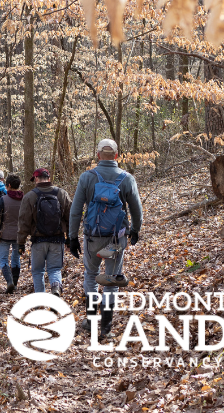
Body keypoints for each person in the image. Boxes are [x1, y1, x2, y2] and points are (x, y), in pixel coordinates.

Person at [68, 139, 142, 339]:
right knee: (111, 279)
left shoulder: (87, 177)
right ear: (117, 156)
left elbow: (76, 211)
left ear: (98, 155)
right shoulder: (127, 179)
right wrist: (135, 230)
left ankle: (91, 322)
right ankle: (106, 327)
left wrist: (72, 237)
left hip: (92, 238)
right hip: (116, 240)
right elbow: (136, 210)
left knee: (91, 275)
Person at [18, 168, 72, 296]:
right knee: (54, 269)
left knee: (37, 271)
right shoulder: (62, 194)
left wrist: (20, 242)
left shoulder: (30, 196)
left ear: (36, 179)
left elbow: (23, 221)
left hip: (38, 240)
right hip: (57, 239)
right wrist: (70, 237)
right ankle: (56, 288)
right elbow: (71, 217)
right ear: (49, 178)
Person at [0, 174, 24, 293]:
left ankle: (9, 281)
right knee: (16, 259)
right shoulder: (24, 198)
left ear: (9, 185)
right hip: (19, 234)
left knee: (3, 260)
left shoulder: (3, 200)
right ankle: (14, 284)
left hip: (5, 234)